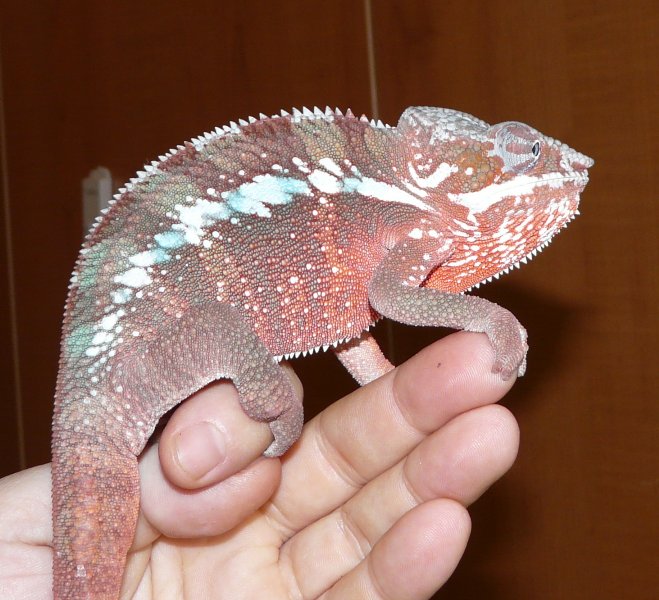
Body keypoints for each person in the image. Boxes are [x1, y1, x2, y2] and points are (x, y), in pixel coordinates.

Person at [0, 332, 520, 599]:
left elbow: (351, 317)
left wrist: (388, 383)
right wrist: (490, 320)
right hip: (142, 330)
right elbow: (388, 294)